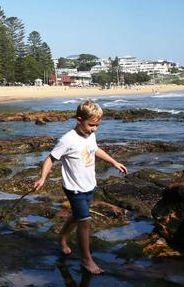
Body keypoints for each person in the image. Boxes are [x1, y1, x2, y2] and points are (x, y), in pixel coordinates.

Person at [33, 100, 127, 274]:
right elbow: (50, 159)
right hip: (74, 187)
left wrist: (114, 162)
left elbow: (95, 149)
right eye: (91, 125)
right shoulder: (68, 139)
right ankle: (86, 259)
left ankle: (61, 237)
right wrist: (42, 178)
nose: (94, 129)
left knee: (77, 216)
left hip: (89, 185)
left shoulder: (89, 135)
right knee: (85, 221)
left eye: (97, 125)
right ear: (79, 120)